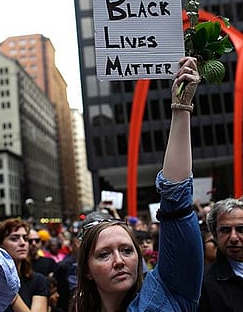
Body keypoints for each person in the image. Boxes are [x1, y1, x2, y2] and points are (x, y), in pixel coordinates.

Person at [69, 56, 203, 311]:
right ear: (86, 270)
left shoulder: (168, 293)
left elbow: (176, 202)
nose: (119, 261)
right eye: (104, 254)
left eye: (127, 251)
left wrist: (181, 107)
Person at [0, 218, 49, 312]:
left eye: (25, 238)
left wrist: (10, 292)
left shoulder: (38, 281)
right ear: (0, 245)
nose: (23, 243)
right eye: (14, 239)